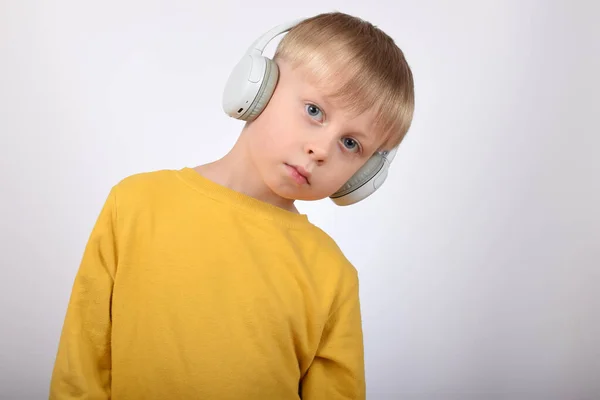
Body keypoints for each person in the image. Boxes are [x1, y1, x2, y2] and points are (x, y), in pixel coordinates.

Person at [49, 11, 414, 400]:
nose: (321, 149)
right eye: (314, 111)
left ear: (364, 174)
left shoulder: (332, 276)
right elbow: (81, 368)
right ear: (258, 86)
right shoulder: (135, 204)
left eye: (351, 144)